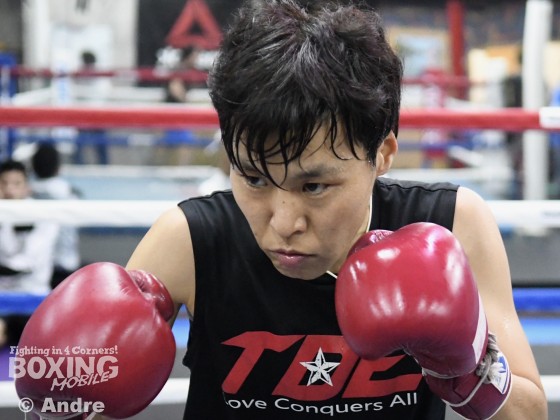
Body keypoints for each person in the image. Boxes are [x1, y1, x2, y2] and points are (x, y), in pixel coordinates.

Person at [15, 1, 547, 419]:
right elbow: (74, 398)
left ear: (382, 153)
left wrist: (466, 370)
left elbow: (529, 412)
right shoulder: (191, 240)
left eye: (314, 185)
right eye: (253, 178)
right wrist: (66, 398)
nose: (284, 223)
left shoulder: (450, 225)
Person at [0, 159, 59, 349]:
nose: (9, 190)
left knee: (45, 345)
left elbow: (25, 264)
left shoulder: (43, 217)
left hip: (34, 298)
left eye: (16, 184)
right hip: (3, 299)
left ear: (27, 188)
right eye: (4, 183)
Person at [30, 143, 82, 288]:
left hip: (34, 270)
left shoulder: (25, 192)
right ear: (58, 167)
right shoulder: (69, 193)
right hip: (65, 267)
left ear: (33, 166)